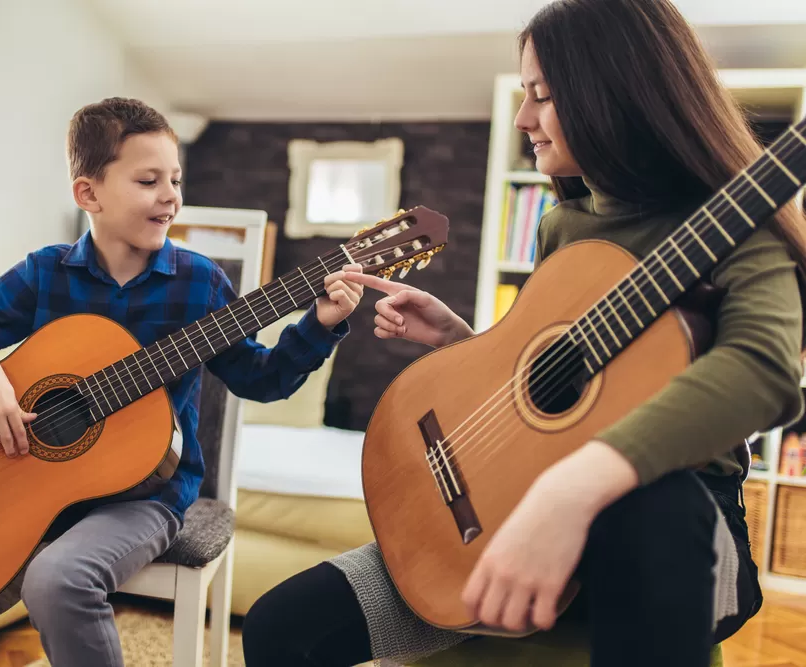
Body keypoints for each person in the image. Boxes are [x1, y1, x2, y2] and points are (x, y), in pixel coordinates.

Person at [241, 1, 806, 666]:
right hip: (520, 501)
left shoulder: (747, 227)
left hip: (672, 533)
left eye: (542, 94)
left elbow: (764, 371)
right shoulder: (562, 226)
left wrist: (576, 488)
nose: (521, 118)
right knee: (280, 628)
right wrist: (461, 342)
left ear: (615, 94)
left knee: (657, 502)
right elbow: (566, 383)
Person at [0, 97, 363, 667]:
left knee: (57, 579)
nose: (171, 196)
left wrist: (319, 325)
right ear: (88, 193)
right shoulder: (46, 273)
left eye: (175, 179)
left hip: (142, 498)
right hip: (17, 493)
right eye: (148, 180)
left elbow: (261, 380)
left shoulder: (199, 283)